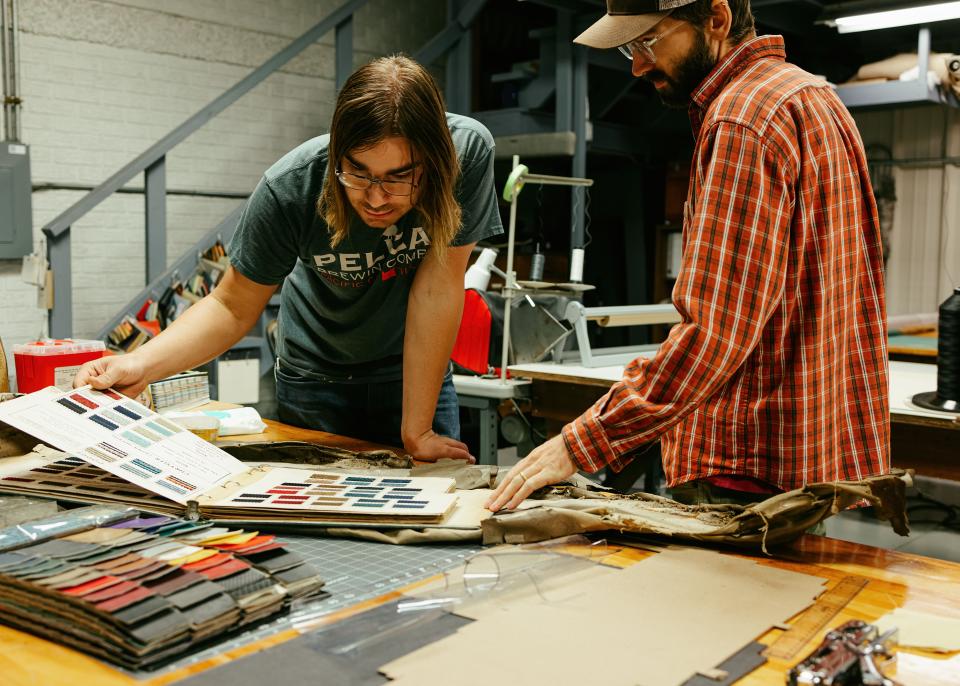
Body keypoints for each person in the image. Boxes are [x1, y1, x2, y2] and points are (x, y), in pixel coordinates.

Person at [487, 0, 889, 511]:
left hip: (744, 472)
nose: (636, 65)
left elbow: (714, 332)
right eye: (631, 47)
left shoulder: (743, 120)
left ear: (717, 20)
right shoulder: (815, 98)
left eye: (649, 40)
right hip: (805, 457)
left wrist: (580, 442)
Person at [76, 55, 503, 462]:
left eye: (399, 177)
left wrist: (418, 430)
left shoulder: (465, 155)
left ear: (433, 160)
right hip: (315, 377)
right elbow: (231, 304)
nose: (375, 198)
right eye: (357, 172)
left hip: (415, 374)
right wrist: (140, 363)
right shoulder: (291, 186)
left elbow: (438, 285)